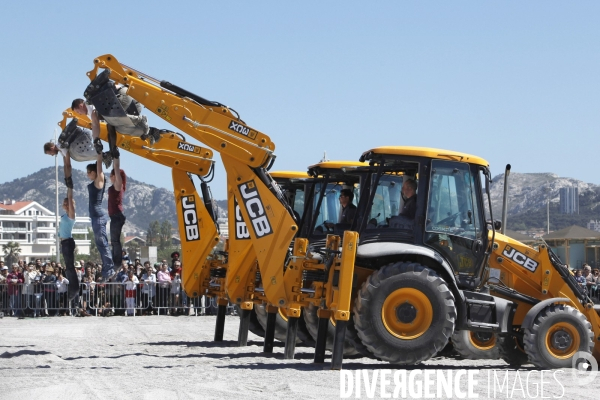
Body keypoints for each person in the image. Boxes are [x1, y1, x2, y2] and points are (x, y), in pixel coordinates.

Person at [86, 154, 116, 282]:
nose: (87, 175)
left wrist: (98, 157)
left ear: (94, 172)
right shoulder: (95, 182)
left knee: (102, 243)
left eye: (88, 172)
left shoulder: (99, 181)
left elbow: (100, 170)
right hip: (94, 217)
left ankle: (109, 269)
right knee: (99, 244)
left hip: (98, 216)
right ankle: (107, 270)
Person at [60, 155, 80, 302]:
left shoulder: (71, 215)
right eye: (64, 204)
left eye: (67, 204)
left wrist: (69, 185)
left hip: (68, 242)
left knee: (69, 267)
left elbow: (70, 195)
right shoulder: (64, 215)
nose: (65, 205)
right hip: (64, 242)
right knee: (67, 266)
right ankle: (74, 289)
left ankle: (74, 289)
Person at [108, 161, 127, 268]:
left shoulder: (118, 184)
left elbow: (116, 167)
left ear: (115, 176)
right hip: (114, 216)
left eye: (111, 175)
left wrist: (115, 158)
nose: (110, 177)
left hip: (117, 215)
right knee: (114, 241)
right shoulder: (116, 185)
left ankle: (117, 262)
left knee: (115, 241)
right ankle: (116, 261)